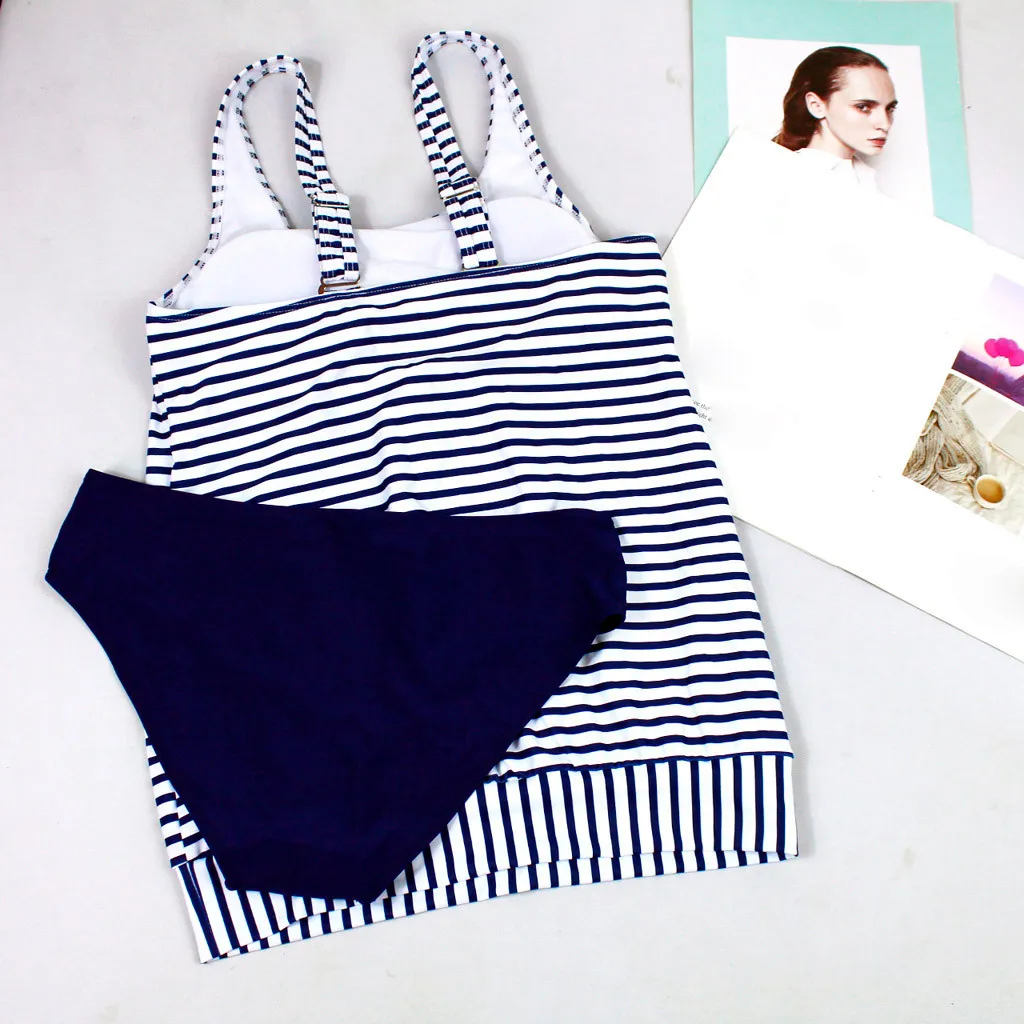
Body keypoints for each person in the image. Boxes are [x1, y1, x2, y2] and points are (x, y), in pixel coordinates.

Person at [773, 46, 898, 189]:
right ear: (816, 106)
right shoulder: (788, 178)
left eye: (890, 108)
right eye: (863, 107)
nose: (885, 124)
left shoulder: (863, 177)